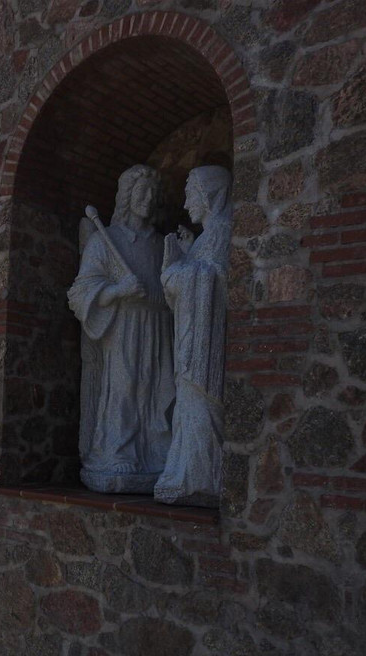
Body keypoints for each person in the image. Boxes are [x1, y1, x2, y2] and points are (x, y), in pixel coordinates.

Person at [68, 165, 175, 494]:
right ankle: (118, 453)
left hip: (159, 324)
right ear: (127, 197)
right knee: (125, 388)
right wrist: (118, 292)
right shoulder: (106, 241)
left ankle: (156, 454)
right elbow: (80, 291)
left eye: (152, 194)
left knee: (158, 389)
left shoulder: (161, 244)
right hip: (124, 325)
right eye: (141, 192)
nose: (147, 199)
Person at [154, 165, 232, 506]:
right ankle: (190, 473)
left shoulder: (221, 232)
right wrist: (186, 257)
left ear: (209, 195)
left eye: (191, 196)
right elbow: (201, 273)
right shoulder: (208, 236)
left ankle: (199, 478)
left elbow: (212, 279)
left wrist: (174, 270)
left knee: (198, 405)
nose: (186, 206)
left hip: (204, 346)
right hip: (193, 338)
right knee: (189, 406)